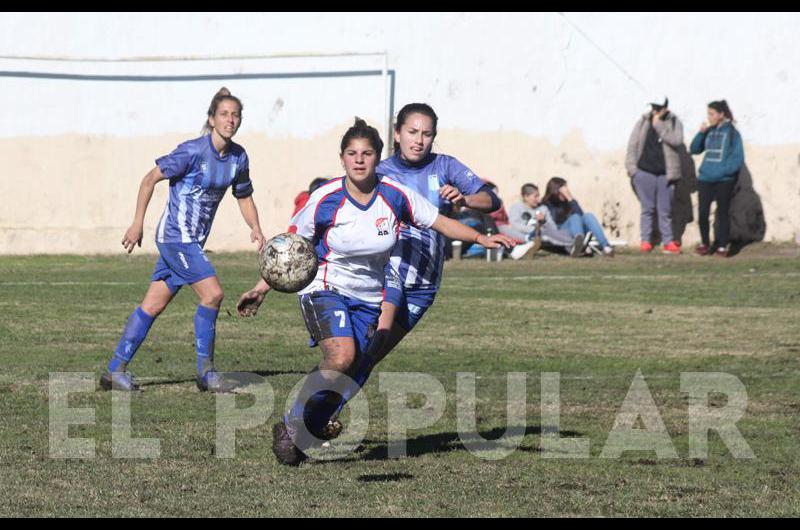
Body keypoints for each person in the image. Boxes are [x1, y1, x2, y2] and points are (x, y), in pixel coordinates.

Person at [235, 118, 514, 465]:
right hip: (326, 286)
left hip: (371, 296)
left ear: (377, 157)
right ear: (342, 158)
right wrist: (262, 288)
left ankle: (309, 425)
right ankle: (293, 422)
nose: (359, 160)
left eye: (367, 153)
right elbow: (289, 251)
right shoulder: (324, 199)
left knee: (359, 362)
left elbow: (439, 222)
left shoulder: (394, 195)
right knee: (341, 357)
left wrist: (481, 238)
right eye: (352, 153)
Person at [101, 87, 264, 393]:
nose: (230, 120)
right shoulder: (191, 152)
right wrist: (138, 223)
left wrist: (255, 227)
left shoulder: (238, 158)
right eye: (224, 114)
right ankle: (206, 373)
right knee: (213, 294)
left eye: (235, 114)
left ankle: (114, 371)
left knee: (152, 305)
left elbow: (244, 196)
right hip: (176, 238)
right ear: (211, 119)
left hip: (192, 242)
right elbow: (150, 179)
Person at [625, 96, 685, 254]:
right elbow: (633, 144)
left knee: (665, 210)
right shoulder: (643, 121)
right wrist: (632, 170)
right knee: (647, 208)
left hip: (666, 173)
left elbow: (676, 140)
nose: (655, 111)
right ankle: (646, 240)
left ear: (666, 108)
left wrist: (658, 125)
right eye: (653, 107)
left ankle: (668, 241)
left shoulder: (674, 121)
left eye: (658, 108)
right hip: (645, 171)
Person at [690, 100, 745, 257]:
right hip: (705, 179)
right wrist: (701, 132)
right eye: (708, 113)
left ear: (721, 115)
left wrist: (724, 171)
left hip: (724, 180)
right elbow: (694, 149)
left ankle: (722, 245)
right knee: (702, 213)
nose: (709, 117)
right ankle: (705, 244)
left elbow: (737, 158)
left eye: (712, 114)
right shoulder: (709, 131)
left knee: (722, 213)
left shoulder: (733, 133)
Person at [507, 183, 585, 259]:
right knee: (545, 233)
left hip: (547, 234)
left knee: (559, 231)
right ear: (526, 197)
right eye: (535, 196)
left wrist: (544, 221)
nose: (538, 199)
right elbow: (515, 225)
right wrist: (536, 229)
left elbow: (553, 228)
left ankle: (575, 246)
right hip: (529, 236)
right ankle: (575, 246)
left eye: (538, 196)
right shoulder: (516, 207)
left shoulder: (543, 208)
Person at [541, 177, 615, 257]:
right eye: (564, 190)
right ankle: (580, 245)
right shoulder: (546, 204)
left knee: (588, 216)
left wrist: (570, 198)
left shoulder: (569, 201)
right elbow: (553, 224)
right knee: (575, 217)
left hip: (576, 231)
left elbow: (581, 216)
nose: (566, 192)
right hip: (561, 232)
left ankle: (606, 247)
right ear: (556, 191)